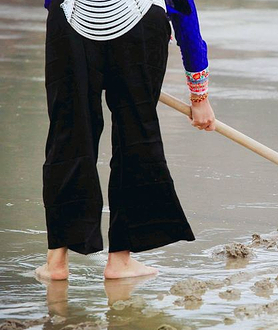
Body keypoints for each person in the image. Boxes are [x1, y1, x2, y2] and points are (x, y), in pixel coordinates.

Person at [36, 0, 215, 280]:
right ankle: (120, 261)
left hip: (72, 19)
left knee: (68, 137)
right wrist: (199, 95)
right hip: (138, 25)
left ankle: (56, 261)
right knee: (136, 138)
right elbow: (183, 10)